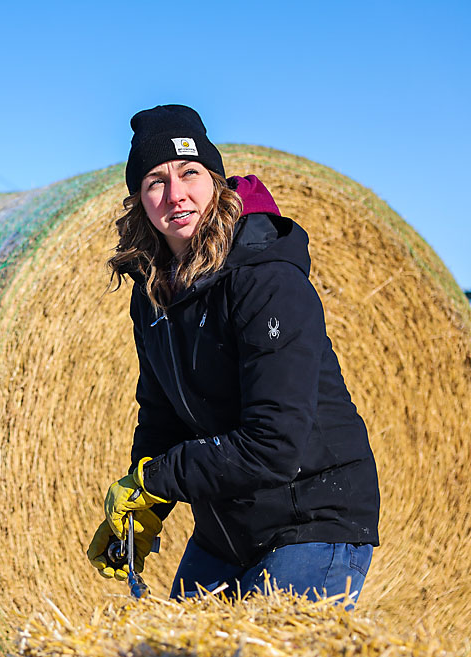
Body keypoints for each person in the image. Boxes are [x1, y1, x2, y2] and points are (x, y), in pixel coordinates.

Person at [87, 104, 380, 606]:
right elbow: (162, 415)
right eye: (155, 180)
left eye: (190, 173)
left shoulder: (266, 280)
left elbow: (273, 444)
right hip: (224, 531)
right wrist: (142, 505)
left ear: (216, 182)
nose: (175, 194)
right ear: (139, 198)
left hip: (310, 521)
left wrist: (158, 479)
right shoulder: (154, 294)